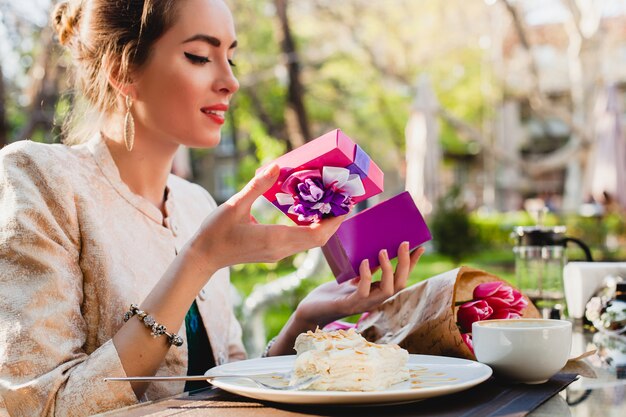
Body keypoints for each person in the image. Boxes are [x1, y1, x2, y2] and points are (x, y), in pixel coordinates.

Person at [0, 0, 424, 416]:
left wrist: (303, 319)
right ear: (123, 71)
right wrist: (201, 258)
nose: (230, 82)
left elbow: (226, 382)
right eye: (199, 56)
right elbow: (40, 407)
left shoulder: (195, 203)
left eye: (231, 59)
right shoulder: (41, 178)